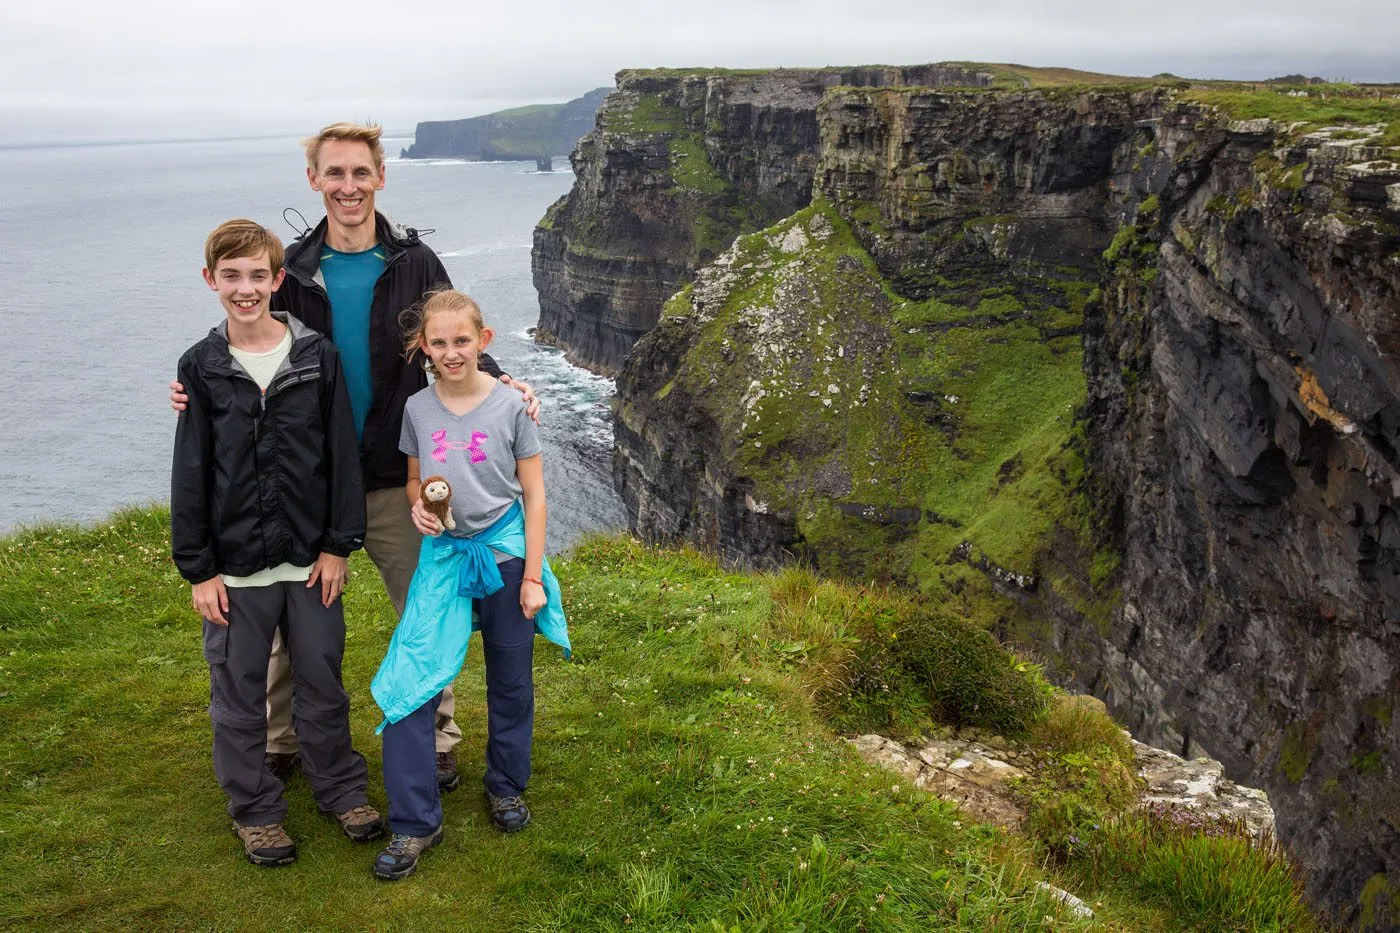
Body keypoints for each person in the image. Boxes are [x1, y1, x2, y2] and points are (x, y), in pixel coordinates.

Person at [169, 122, 538, 792]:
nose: (348, 187)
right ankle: (282, 741)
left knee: (426, 610)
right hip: (310, 480)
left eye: (360, 173)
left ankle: (436, 736)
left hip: (403, 475)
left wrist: (501, 378)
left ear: (380, 177)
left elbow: (452, 332)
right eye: (334, 174)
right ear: (314, 180)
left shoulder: (414, 262)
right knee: (289, 617)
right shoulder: (294, 267)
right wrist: (194, 379)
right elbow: (249, 325)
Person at [171, 219, 384, 866]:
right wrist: (199, 570)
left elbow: (340, 457)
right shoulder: (201, 367)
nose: (245, 288)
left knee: (322, 678)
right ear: (211, 280)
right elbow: (190, 471)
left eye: (257, 275)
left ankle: (340, 787)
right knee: (239, 695)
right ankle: (256, 809)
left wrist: (338, 546)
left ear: (277, 279)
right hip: (235, 568)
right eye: (231, 276)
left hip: (309, 560)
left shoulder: (318, 356)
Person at [368, 290, 569, 880]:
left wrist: (532, 578)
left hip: (505, 556)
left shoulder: (509, 406)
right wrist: (417, 510)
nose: (451, 353)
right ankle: (414, 823)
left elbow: (533, 496)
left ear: (483, 341)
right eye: (439, 343)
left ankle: (506, 786)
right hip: (445, 556)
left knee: (511, 678)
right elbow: (414, 480)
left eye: (462, 341)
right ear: (422, 348)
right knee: (411, 679)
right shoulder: (417, 409)